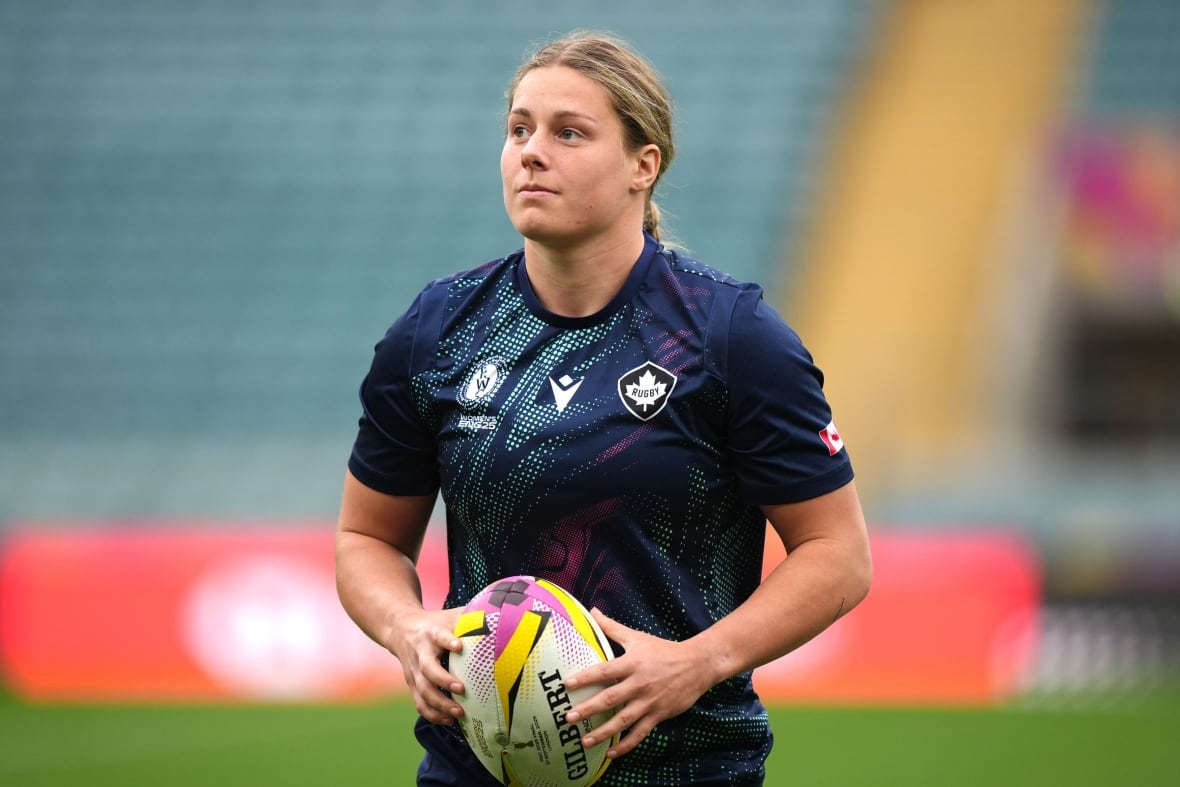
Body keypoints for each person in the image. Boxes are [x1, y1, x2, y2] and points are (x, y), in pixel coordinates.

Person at [335, 30, 872, 787]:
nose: (531, 152)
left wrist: (698, 661)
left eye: (569, 132)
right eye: (518, 129)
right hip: (473, 769)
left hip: (685, 771)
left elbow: (839, 555)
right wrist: (406, 627)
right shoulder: (438, 330)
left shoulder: (729, 336)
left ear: (642, 166)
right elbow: (366, 537)